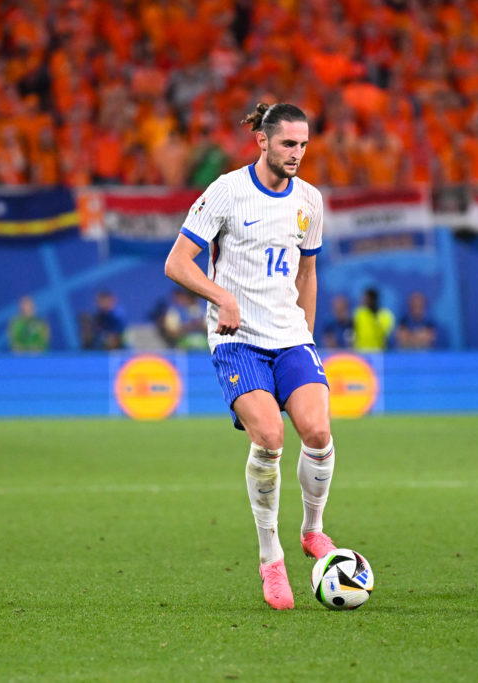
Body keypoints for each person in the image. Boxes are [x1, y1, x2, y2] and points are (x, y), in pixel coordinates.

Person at [164, 102, 338, 611]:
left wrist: (306, 331)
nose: (297, 154)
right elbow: (177, 263)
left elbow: (307, 272)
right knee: (269, 436)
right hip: (237, 339)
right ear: (262, 142)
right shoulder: (227, 191)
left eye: (303, 144)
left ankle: (313, 530)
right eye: (288, 144)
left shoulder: (310, 201)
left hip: (290, 336)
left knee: (319, 433)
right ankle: (271, 558)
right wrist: (222, 298)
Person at [353, 287, 395, 352]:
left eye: (366, 298)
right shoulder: (359, 314)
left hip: (380, 353)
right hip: (361, 353)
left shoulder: (385, 315)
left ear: (373, 300)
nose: (363, 300)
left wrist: (375, 318)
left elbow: (387, 335)